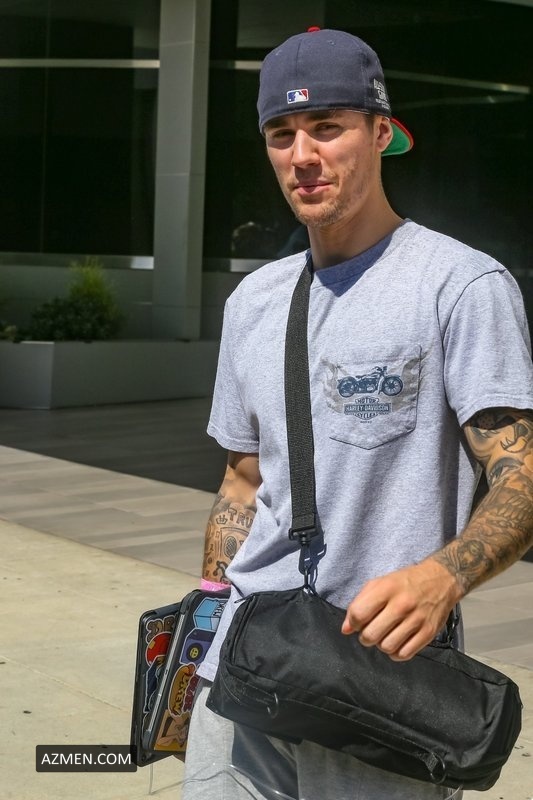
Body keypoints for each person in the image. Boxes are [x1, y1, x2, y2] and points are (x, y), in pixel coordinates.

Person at [182, 28, 533, 800]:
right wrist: (200, 630)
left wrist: (443, 576)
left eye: (326, 127)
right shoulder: (253, 301)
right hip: (242, 669)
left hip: (376, 681)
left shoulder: (459, 286)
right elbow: (242, 482)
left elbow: (521, 474)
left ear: (380, 133)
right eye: (281, 134)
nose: (302, 155)